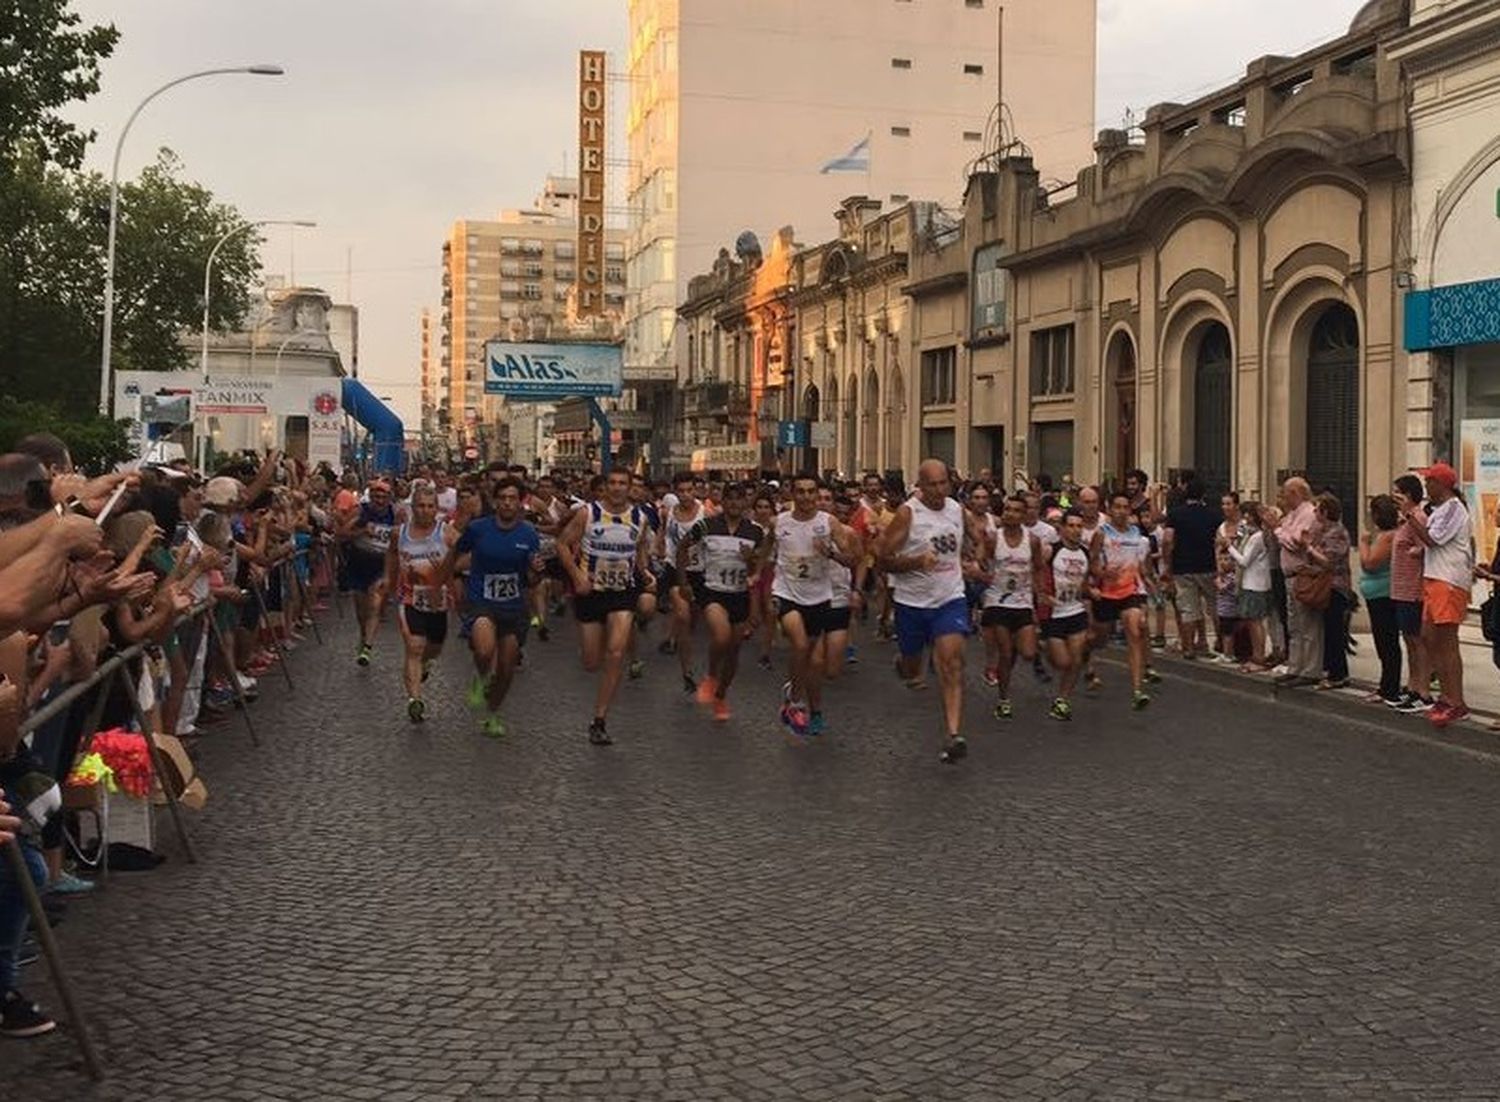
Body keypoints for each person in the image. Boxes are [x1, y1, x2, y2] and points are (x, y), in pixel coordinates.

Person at [876, 459, 982, 763]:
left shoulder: (956, 510)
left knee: (951, 663)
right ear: (919, 486)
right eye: (932, 484)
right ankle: (904, 662)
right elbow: (882, 560)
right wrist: (914, 562)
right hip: (912, 603)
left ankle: (953, 733)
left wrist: (975, 560)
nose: (938, 490)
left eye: (943, 483)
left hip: (949, 598)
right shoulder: (909, 514)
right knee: (912, 667)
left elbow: (977, 540)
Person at [436, 476, 541, 738]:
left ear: (520, 503)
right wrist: (441, 582)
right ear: (494, 502)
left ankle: (493, 714)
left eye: (512, 499)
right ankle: (481, 677)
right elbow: (455, 553)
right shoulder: (478, 528)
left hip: (514, 607)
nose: (507, 503)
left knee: (506, 669)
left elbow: (532, 579)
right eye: (502, 498)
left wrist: (536, 571)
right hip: (482, 600)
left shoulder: (528, 533)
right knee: (484, 650)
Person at [559, 468, 656, 745]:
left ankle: (599, 719)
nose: (616, 488)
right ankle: (593, 649)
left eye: (622, 483)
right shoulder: (587, 514)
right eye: (611, 483)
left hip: (622, 592)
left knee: (615, 653)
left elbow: (638, 553)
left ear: (630, 488)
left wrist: (645, 573)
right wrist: (577, 576)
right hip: (591, 593)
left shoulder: (641, 518)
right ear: (605, 487)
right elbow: (563, 545)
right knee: (592, 662)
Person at [762, 474, 859, 736]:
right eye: (800, 492)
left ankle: (815, 710)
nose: (806, 497)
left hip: (818, 596)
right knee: (800, 644)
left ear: (817, 495)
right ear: (792, 494)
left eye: (810, 492)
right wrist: (756, 574)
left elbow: (852, 559)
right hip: (786, 593)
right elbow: (766, 550)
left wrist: (830, 553)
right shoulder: (778, 522)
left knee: (815, 663)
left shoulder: (829, 523)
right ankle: (794, 700)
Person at [677, 482, 764, 720]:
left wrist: (751, 560)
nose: (735, 503)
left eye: (740, 499)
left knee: (734, 650)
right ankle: (712, 676)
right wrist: (683, 581)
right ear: (723, 502)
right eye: (730, 499)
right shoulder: (706, 525)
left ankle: (721, 695)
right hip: (713, 591)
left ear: (746, 503)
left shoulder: (755, 531)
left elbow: (759, 568)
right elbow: (683, 548)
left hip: (740, 594)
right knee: (721, 636)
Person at [1403, 462, 1474, 727]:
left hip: (1449, 581)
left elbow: (1434, 540)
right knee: (1429, 637)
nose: (1425, 486)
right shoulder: (1441, 510)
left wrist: (1410, 515)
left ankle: (1456, 701)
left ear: (1441, 484)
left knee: (1447, 642)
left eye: (1429, 481)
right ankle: (1446, 696)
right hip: (1434, 579)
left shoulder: (1454, 508)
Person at [386, 483, 456, 722]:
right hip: (409, 598)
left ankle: (426, 664)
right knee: (414, 646)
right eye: (420, 506)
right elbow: (392, 556)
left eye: (430, 506)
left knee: (434, 647)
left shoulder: (446, 533)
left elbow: (465, 556)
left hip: (438, 601)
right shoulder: (400, 532)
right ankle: (415, 700)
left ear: (436, 508)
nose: (425, 511)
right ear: (412, 507)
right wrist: (389, 581)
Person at [979, 493, 1044, 720]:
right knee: (1005, 653)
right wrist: (982, 575)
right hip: (998, 601)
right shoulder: (993, 538)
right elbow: (982, 562)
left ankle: (1008, 657)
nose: (1011, 514)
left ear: (1024, 515)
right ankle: (1004, 699)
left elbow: (1038, 568)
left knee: (1027, 653)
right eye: (1008, 510)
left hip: (1023, 601)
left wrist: (1040, 597)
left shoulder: (1033, 541)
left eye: (1017, 511)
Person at [1089, 491, 1156, 709]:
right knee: (1099, 639)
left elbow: (1142, 565)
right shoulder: (1101, 534)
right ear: (1109, 509)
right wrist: (1101, 574)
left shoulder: (1137, 534)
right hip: (1107, 593)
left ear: (1129, 510)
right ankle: (1085, 654)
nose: (1120, 511)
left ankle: (1137, 691)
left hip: (1130, 592)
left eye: (1125, 507)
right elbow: (1092, 564)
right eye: (1116, 507)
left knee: (1134, 632)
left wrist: (1152, 583)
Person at [1038, 510, 1092, 721]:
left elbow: (1085, 584)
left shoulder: (1085, 554)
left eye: (1079, 526)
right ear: (1062, 528)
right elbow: (1037, 574)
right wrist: (1042, 594)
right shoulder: (1051, 551)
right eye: (1071, 525)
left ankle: (1062, 700)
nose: (1076, 530)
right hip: (1054, 614)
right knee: (1062, 662)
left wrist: (1090, 595)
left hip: (1075, 611)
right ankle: (1042, 647)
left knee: (1075, 660)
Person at [338, 477, 397, 666]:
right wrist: (362, 531)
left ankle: (367, 647)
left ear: (390, 497)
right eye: (376, 495)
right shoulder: (360, 511)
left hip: (381, 565)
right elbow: (341, 535)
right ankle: (364, 637)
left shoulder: (395, 513)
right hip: (358, 563)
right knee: (361, 611)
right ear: (370, 496)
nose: (380, 499)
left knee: (375, 605)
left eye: (384, 495)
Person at [1161, 478, 1220, 659]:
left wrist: (1167, 566)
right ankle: (1222, 643)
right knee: (1215, 607)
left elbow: (1167, 540)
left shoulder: (1176, 514)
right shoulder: (1214, 515)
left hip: (1183, 567)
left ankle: (1188, 648)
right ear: (1203, 494)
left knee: (1188, 609)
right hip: (1209, 566)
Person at [1389, 474, 1432, 714]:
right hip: (1401, 588)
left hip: (1413, 588)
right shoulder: (1404, 519)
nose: (1395, 497)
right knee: (1409, 640)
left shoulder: (1417, 517)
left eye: (1398, 493)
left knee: (1417, 641)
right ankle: (1412, 685)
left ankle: (1423, 691)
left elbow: (1429, 544)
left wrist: (1417, 551)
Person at [661, 473, 707, 693]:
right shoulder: (670, 511)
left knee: (693, 621)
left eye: (690, 490)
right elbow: (665, 532)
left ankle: (690, 660)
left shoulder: (706, 513)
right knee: (682, 614)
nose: (686, 495)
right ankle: (687, 671)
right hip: (674, 569)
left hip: (700, 572)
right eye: (681, 491)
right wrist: (659, 547)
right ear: (675, 492)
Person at [1275, 477, 1323, 686]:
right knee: (1294, 625)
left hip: (1302, 575)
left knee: (1308, 625)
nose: (1283, 498)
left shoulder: (1308, 514)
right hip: (1289, 576)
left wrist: (1278, 530)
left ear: (1296, 493)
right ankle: (1295, 666)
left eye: (1286, 493)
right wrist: (1281, 530)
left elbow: (1296, 543)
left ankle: (1310, 669)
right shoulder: (1292, 515)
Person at [1305, 493, 1353, 691]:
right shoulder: (1325, 531)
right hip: (1325, 585)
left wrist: (1309, 548)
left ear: (1325, 512)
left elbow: (1329, 561)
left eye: (1317, 509)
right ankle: (1329, 668)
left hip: (1335, 586)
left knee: (1335, 632)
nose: (1315, 513)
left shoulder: (1337, 533)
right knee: (1327, 630)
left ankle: (1338, 674)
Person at [1359, 494, 1402, 706]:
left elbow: (1370, 563)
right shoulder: (1386, 535)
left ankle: (1389, 687)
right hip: (1377, 594)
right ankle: (1387, 684)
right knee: (1384, 641)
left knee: (1386, 641)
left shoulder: (1387, 536)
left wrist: (1364, 543)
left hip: (1383, 595)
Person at [821, 489, 866, 681]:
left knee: (832, 669)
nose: (823, 503)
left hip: (838, 595)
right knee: (814, 655)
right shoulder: (801, 528)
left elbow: (860, 561)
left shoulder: (848, 533)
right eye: (820, 499)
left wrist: (857, 590)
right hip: (808, 595)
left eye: (827, 499)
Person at [1228, 502, 1272, 670]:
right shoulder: (1253, 535)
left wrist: (1229, 547)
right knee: (1253, 621)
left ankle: (1259, 657)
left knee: (1255, 622)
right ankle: (1256, 655)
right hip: (1254, 582)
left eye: (1247, 514)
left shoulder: (1257, 537)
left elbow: (1244, 561)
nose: (1244, 518)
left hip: (1255, 584)